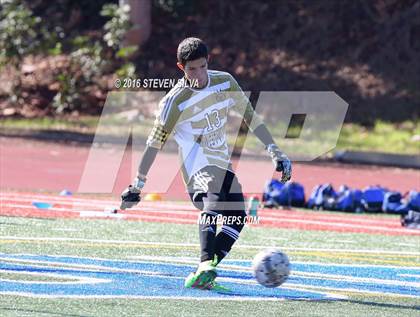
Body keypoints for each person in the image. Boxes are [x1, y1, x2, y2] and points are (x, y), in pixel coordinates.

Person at [120, 37, 292, 291]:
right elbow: (154, 142)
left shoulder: (224, 81)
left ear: (208, 61)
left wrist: (275, 150)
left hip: (221, 163)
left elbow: (250, 117)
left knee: (237, 217)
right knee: (213, 200)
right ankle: (203, 265)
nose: (198, 74)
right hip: (197, 167)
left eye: (202, 67)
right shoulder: (174, 101)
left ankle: (203, 275)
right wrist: (138, 184)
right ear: (181, 67)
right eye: (191, 69)